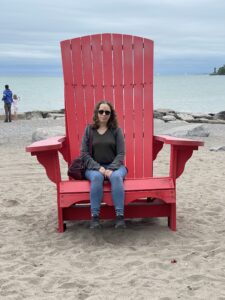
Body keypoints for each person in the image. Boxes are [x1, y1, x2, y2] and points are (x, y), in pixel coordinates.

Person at [81, 100, 127, 229]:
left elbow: (121, 153)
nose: (104, 114)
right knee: (97, 178)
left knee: (116, 177)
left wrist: (111, 168)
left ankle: (119, 217)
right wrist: (99, 168)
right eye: (101, 111)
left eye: (107, 112)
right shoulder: (89, 130)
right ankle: (95, 217)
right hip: (93, 168)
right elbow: (84, 154)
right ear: (97, 113)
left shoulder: (116, 131)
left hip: (116, 167)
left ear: (111, 115)